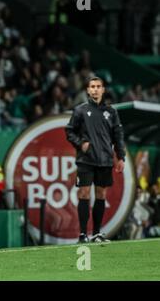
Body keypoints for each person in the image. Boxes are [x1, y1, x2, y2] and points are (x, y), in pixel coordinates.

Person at [65, 77, 126, 243]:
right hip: (85, 160)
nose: (95, 89)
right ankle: (83, 234)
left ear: (103, 90)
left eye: (98, 86)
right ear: (88, 90)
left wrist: (121, 157)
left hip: (105, 160)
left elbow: (118, 136)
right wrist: (80, 144)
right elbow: (69, 131)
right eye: (92, 87)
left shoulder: (111, 112)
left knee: (101, 195)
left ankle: (97, 233)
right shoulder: (80, 110)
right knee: (83, 193)